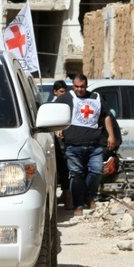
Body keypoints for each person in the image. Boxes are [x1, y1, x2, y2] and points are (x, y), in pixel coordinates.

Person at [56, 74, 116, 215]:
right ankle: (78, 205)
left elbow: (106, 115)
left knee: (96, 172)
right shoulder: (65, 98)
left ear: (86, 85)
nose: (79, 89)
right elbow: (55, 114)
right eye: (76, 86)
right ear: (73, 85)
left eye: (82, 86)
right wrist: (57, 128)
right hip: (73, 146)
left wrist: (111, 135)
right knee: (77, 175)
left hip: (94, 146)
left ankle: (88, 196)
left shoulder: (96, 98)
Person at [51, 80, 72, 209]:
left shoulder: (67, 105)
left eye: (65, 92)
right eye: (61, 92)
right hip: (54, 144)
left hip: (66, 142)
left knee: (65, 171)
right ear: (55, 92)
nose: (64, 94)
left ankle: (67, 198)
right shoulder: (52, 105)